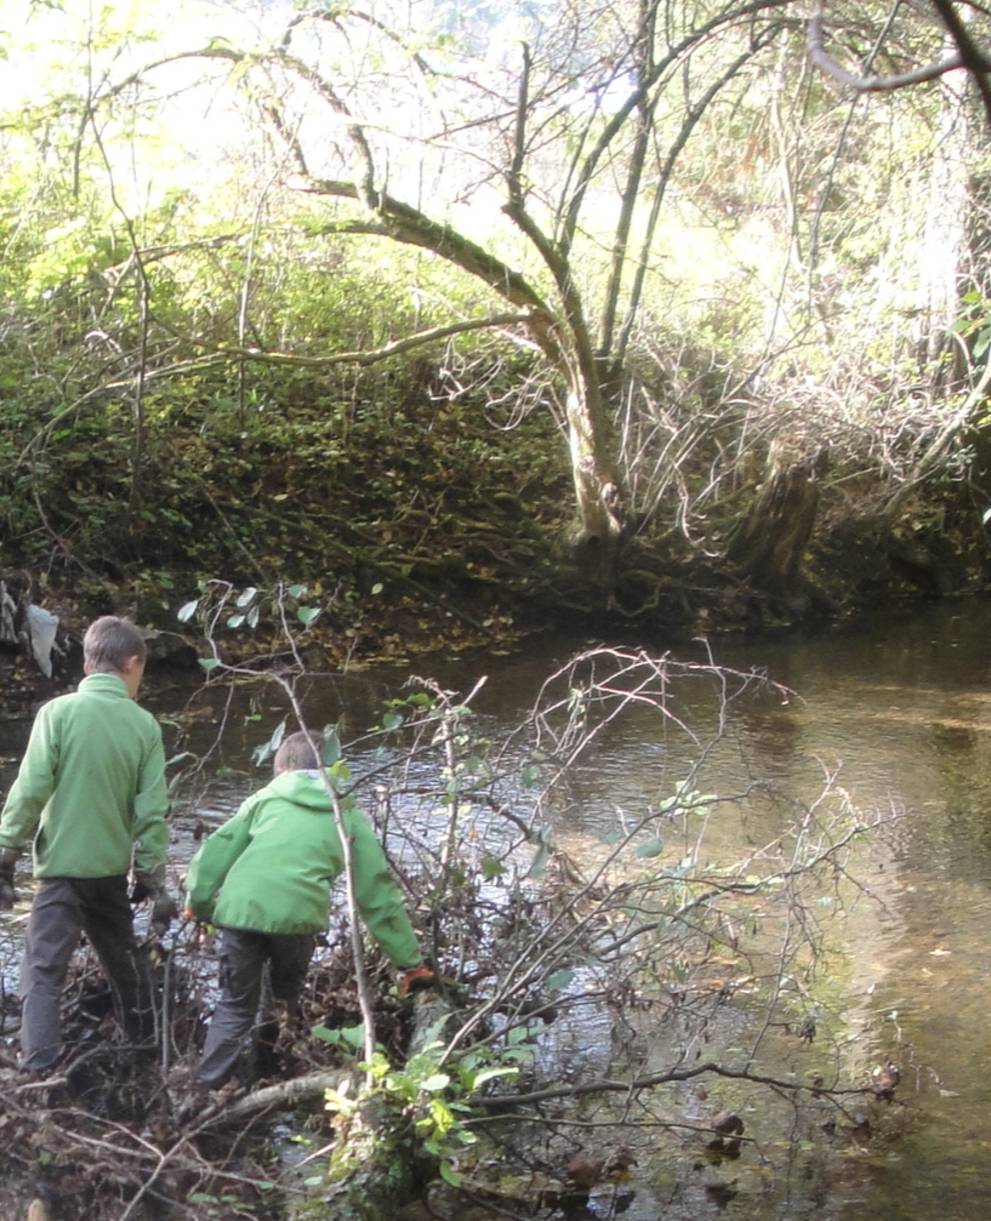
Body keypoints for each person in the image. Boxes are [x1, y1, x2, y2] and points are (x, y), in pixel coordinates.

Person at [185, 730, 431, 1089]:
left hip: (241, 913)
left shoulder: (264, 799)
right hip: (298, 920)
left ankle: (206, 1089)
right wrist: (410, 963)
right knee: (283, 996)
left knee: (234, 1006)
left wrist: (199, 905)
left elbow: (215, 853)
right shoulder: (346, 812)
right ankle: (267, 1067)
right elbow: (376, 893)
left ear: (282, 767)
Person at [0, 615, 176, 1073]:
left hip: (61, 872)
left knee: (42, 970)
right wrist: (151, 875)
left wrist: (6, 851)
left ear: (86, 663)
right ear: (132, 663)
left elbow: (30, 790)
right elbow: (152, 810)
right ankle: (145, 1050)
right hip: (110, 875)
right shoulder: (144, 727)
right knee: (126, 964)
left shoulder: (56, 715)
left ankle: (39, 1069)